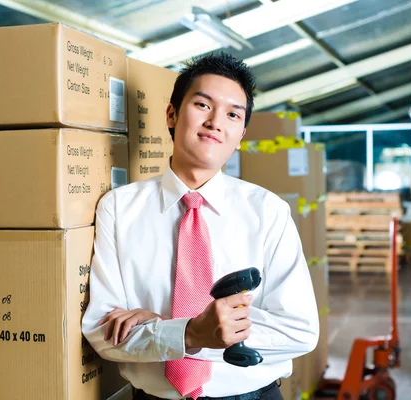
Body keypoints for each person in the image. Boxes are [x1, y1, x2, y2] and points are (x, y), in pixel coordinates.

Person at [82, 52, 319, 400]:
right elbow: (103, 332)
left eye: (233, 114)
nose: (215, 122)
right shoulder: (119, 209)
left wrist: (168, 332)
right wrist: (191, 333)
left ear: (240, 134)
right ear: (172, 114)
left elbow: (300, 330)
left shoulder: (268, 212)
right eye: (203, 105)